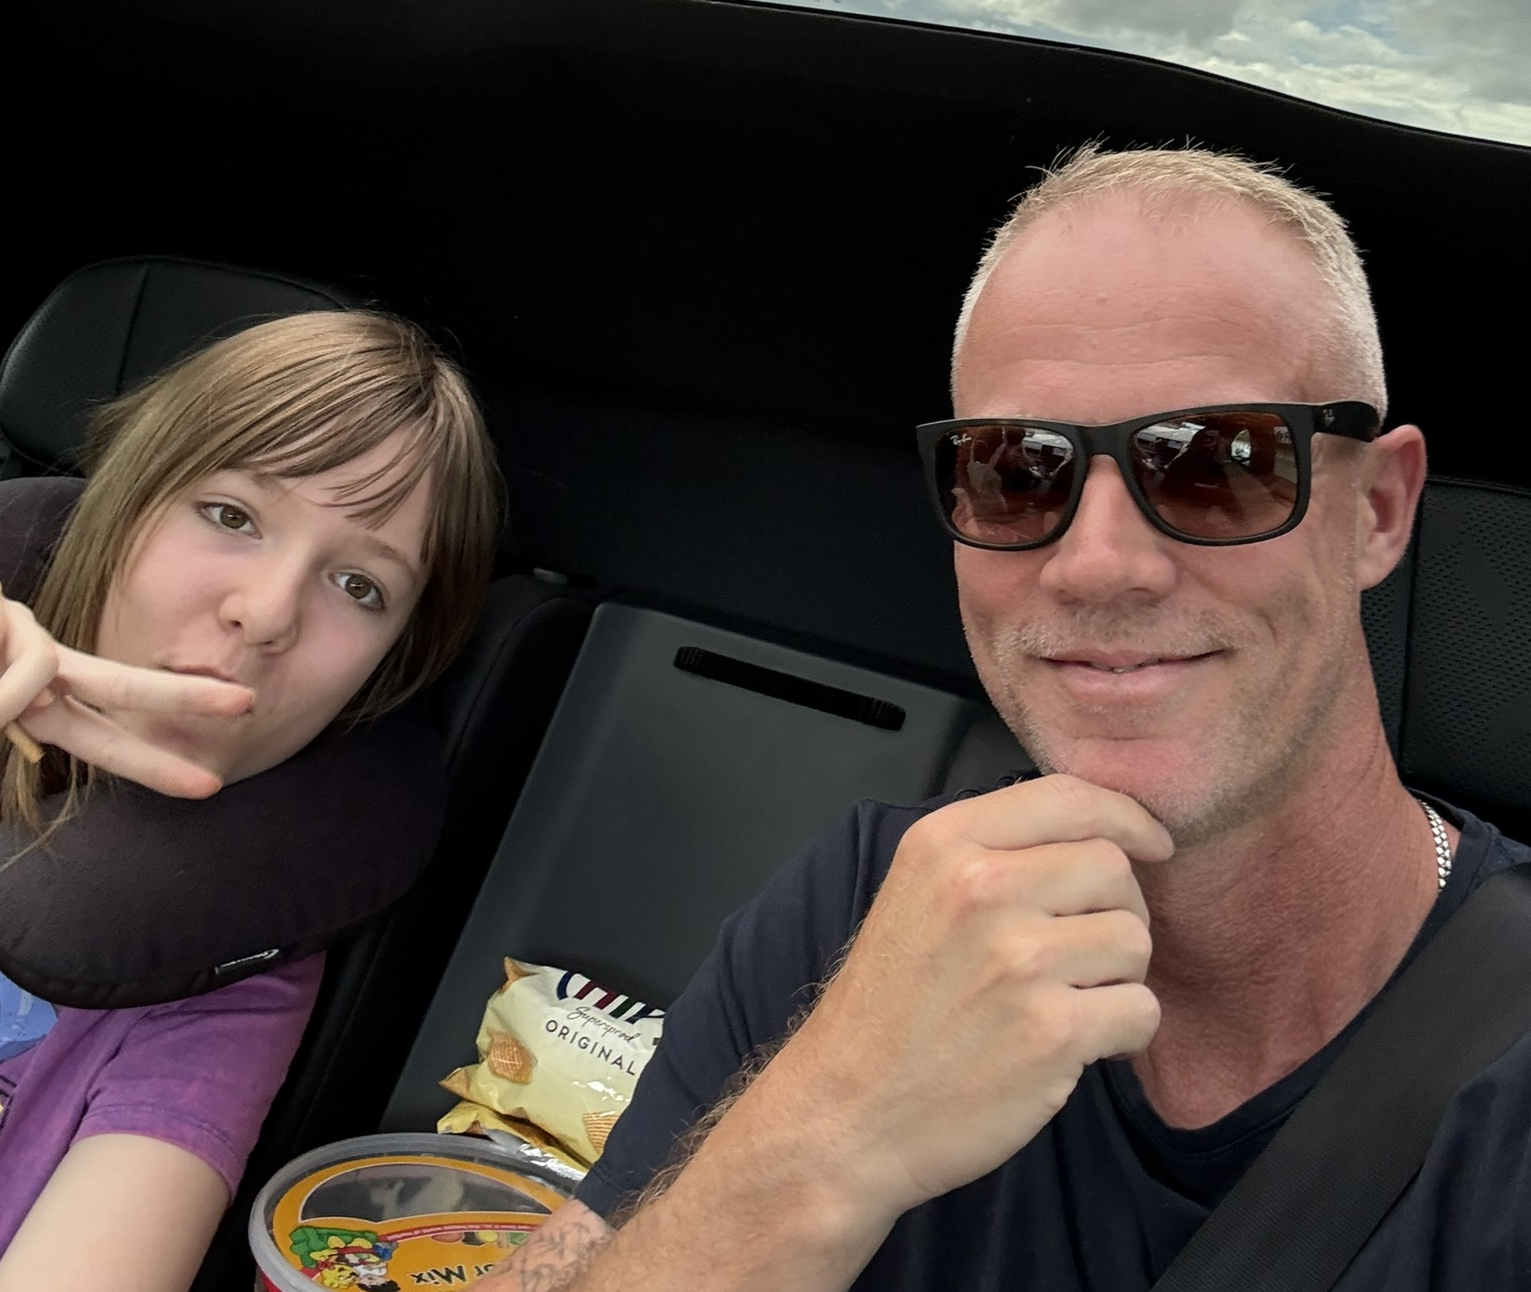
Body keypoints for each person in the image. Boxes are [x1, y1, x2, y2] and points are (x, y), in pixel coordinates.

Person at [481, 145, 1531, 1290]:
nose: (1097, 564)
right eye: (1016, 469)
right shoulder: (867, 907)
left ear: (1376, 508)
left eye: (1213, 462)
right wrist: (827, 1132)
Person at [0, 309, 501, 1291]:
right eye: (230, 515)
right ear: (124, 497)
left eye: (358, 584)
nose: (267, 613)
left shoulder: (224, 963)